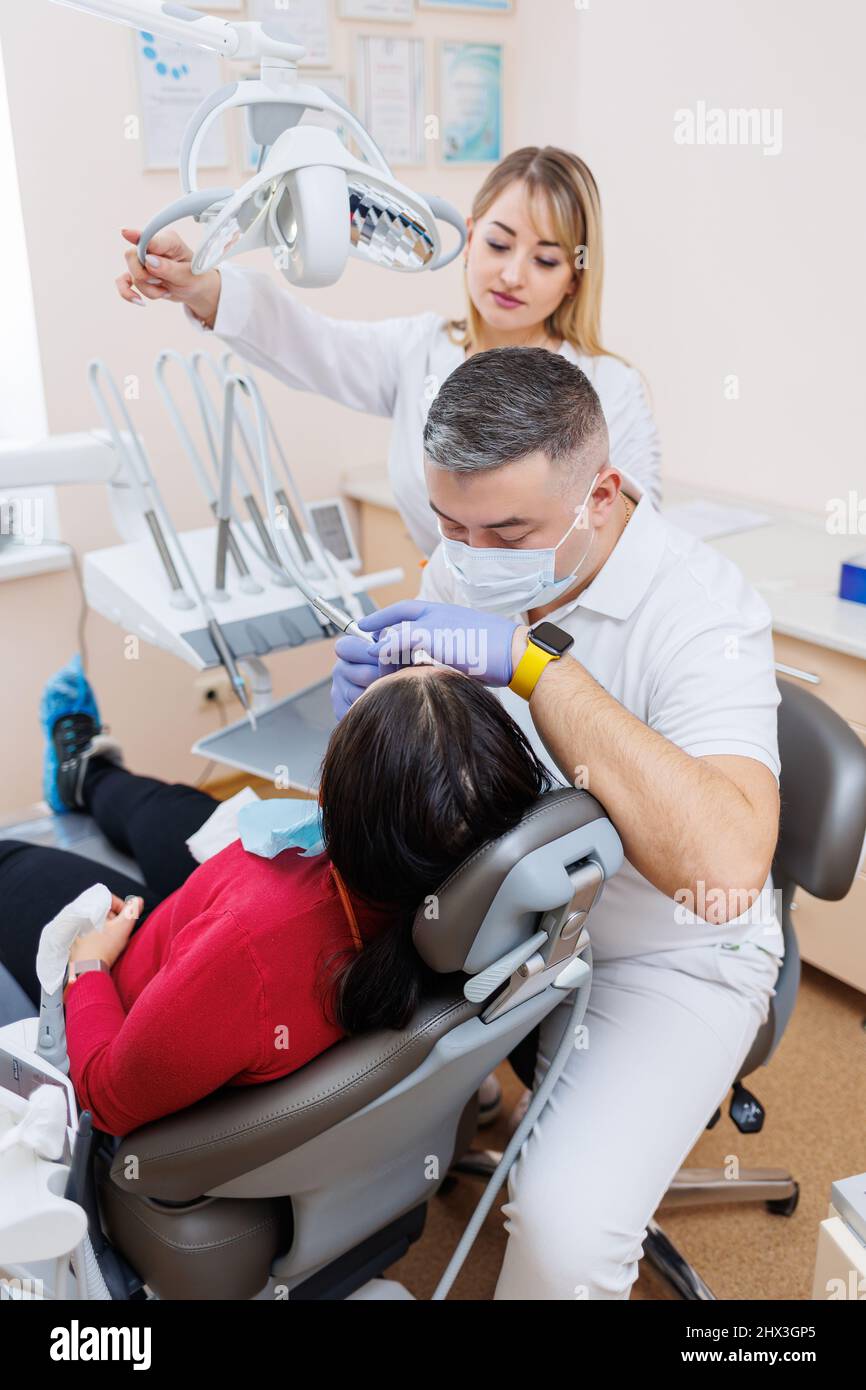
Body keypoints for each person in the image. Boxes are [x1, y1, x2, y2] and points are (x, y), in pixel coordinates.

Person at [331, 346, 785, 1300]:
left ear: (604, 494)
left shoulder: (704, 616)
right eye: (451, 525)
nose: (470, 560)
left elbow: (729, 864)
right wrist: (377, 711)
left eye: (508, 531)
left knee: (563, 1230)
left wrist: (539, 668)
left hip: (665, 953)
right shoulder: (468, 561)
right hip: (506, 912)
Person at [0, 657, 553, 1138]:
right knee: (164, 810)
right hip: (224, 912)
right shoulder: (488, 890)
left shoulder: (251, 946)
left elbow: (104, 1098)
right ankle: (90, 776)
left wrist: (88, 961)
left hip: (152, 960)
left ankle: (91, 779)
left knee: (10, 864)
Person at [116, 146, 662, 560]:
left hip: (574, 645)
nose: (513, 274)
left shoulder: (610, 387)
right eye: (498, 244)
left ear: (574, 278)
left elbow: (638, 539)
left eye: (546, 261)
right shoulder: (419, 352)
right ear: (468, 238)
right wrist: (199, 285)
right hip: (452, 636)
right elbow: (309, 343)